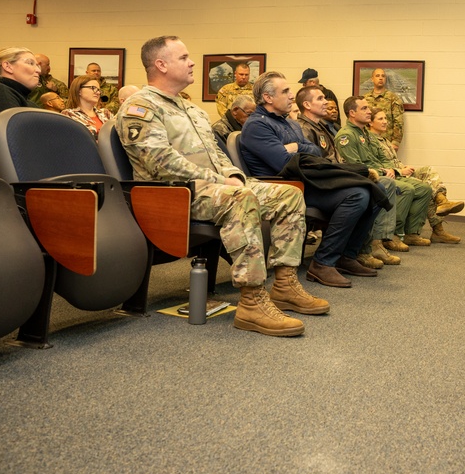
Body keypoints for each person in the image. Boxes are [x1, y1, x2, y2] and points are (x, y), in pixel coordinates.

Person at [118, 35, 329, 337]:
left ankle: (284, 285)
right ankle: (252, 302)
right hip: (173, 194)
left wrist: (233, 174)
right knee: (239, 197)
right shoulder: (140, 107)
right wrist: (223, 181)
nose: (192, 62)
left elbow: (217, 154)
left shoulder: (191, 110)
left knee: (289, 194)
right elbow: (160, 163)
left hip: (213, 188)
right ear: (161, 65)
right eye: (183, 57)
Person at [240, 72, 390, 287]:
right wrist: (301, 151)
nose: (292, 96)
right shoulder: (257, 125)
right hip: (285, 186)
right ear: (268, 97)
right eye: (285, 91)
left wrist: (296, 147)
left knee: (375, 191)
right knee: (358, 195)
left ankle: (346, 256)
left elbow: (315, 152)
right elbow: (283, 162)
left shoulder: (289, 124)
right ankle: (322, 262)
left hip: (307, 180)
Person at [295, 85, 401, 266]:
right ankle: (330, 257)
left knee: (377, 189)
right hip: (319, 184)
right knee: (365, 193)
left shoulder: (323, 127)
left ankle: (350, 253)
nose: (326, 102)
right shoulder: (303, 129)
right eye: (320, 99)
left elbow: (337, 160)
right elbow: (314, 166)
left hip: (332, 178)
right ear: (307, 105)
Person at [336, 96, 432, 250]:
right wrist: (385, 171)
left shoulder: (364, 134)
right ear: (352, 113)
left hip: (379, 172)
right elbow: (357, 167)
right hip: (363, 178)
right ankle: (388, 236)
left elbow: (378, 159)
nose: (369, 111)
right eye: (364, 108)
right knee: (405, 189)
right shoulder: (346, 136)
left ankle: (411, 233)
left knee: (424, 188)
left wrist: (393, 169)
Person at [369, 109, 465, 244]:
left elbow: (391, 161)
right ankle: (438, 226)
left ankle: (441, 200)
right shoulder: (370, 140)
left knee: (428, 170)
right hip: (392, 175)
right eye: (380, 119)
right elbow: (379, 164)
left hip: (399, 170)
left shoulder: (384, 140)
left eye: (385, 118)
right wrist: (399, 170)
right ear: (370, 122)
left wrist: (403, 167)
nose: (385, 121)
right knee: (427, 187)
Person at [0, 47, 39, 121]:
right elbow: (12, 129)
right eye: (30, 63)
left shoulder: (30, 104)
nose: (38, 70)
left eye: (37, 65)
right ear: (8, 66)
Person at [62, 75, 113, 140]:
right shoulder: (69, 115)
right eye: (93, 88)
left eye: (99, 90)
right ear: (79, 90)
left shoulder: (105, 113)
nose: (98, 92)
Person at [363, 68, 404, 150]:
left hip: (386, 143)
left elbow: (398, 121)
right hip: (367, 142)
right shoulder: (365, 99)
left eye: (383, 76)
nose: (380, 78)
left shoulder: (393, 98)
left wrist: (395, 142)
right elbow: (361, 119)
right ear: (372, 79)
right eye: (377, 76)